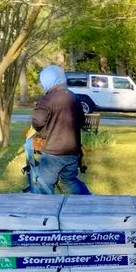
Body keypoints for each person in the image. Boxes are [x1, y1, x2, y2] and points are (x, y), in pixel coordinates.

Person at [29, 64, 90, 195]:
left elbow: (37, 123)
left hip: (53, 153)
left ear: (47, 81)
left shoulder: (47, 99)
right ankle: (88, 201)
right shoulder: (74, 97)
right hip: (73, 152)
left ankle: (47, 211)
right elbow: (81, 122)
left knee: (43, 183)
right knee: (69, 180)